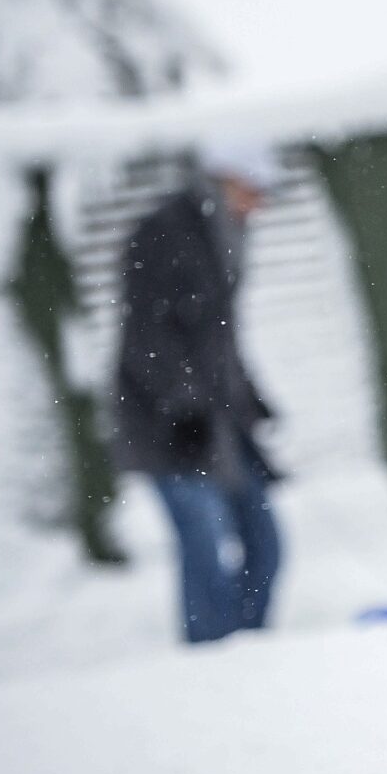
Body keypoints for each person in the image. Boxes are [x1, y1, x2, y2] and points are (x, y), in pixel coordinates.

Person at [112, 139, 285, 644]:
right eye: (255, 190)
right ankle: (213, 654)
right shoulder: (164, 231)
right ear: (226, 176)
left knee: (264, 539)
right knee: (204, 542)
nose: (260, 204)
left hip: (220, 419)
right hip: (166, 423)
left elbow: (220, 335)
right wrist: (181, 403)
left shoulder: (228, 234)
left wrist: (251, 397)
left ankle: (249, 647)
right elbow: (145, 335)